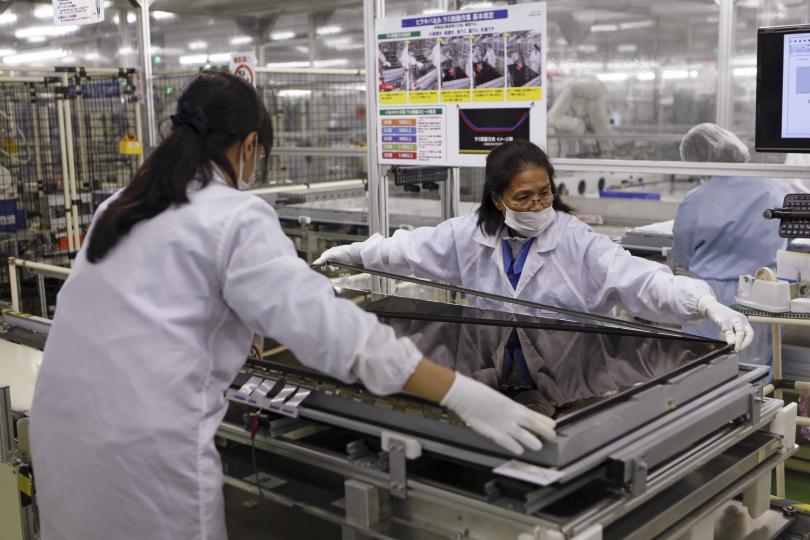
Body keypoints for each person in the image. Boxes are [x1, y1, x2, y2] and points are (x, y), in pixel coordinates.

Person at [29, 73, 555, 540]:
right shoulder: (234, 217)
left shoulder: (119, 207)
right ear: (249, 145)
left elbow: (160, 310)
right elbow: (339, 336)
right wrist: (460, 393)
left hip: (62, 438)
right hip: (146, 462)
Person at [316, 139, 754, 351]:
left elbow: (638, 279)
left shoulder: (576, 240)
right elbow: (409, 250)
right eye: (523, 197)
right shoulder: (468, 234)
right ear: (497, 199)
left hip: (569, 365)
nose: (537, 204)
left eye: (544, 193)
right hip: (488, 361)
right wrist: (353, 254)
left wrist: (705, 304)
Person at [673, 123, 792, 363]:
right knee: (755, 372)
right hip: (763, 293)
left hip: (710, 299)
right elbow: (787, 237)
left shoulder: (696, 199)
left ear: (699, 161)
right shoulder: (778, 188)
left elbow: (682, 255)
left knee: (701, 371)